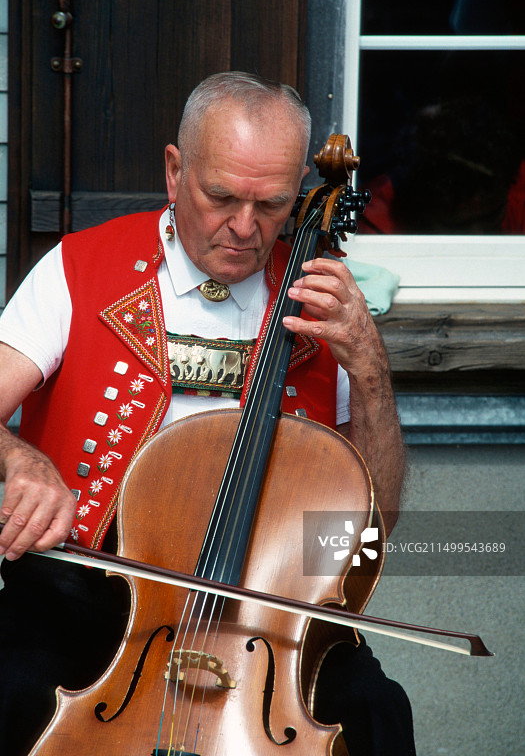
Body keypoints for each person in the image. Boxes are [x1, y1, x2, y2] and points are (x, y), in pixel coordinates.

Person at [0, 72, 413, 755]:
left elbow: (371, 530)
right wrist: (22, 459)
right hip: (90, 593)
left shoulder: (324, 302)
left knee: (374, 710)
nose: (245, 229)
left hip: (268, 610)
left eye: (272, 204)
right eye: (220, 196)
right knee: (13, 689)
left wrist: (369, 369)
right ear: (174, 170)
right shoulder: (80, 266)